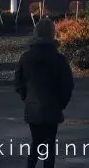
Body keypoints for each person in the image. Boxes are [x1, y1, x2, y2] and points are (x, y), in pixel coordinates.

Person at [14, 17, 74, 168]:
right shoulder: (59, 59)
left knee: (36, 143)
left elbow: (19, 83)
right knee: (49, 145)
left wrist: (26, 98)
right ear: (52, 34)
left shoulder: (26, 57)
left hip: (33, 107)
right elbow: (67, 85)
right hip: (53, 107)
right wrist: (61, 104)